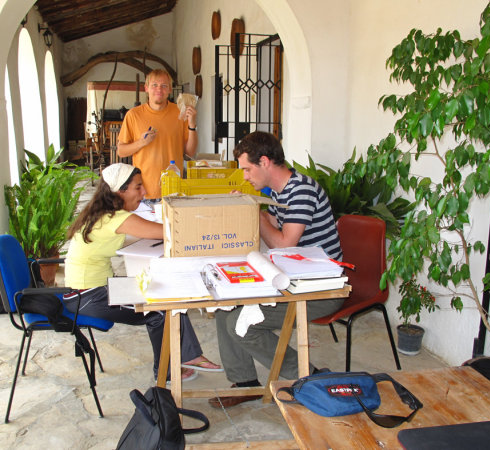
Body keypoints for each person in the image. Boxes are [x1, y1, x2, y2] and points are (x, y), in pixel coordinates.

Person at [210, 131, 343, 408]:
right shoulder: (281, 191)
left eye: (247, 169)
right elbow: (268, 232)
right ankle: (245, 383)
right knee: (225, 310)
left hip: (323, 289)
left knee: (240, 325)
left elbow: (283, 243)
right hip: (296, 279)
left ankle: (308, 376)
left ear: (266, 162)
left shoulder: (301, 190)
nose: (245, 177)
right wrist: (248, 211)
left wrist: (254, 213)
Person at [63, 163, 221, 381]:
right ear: (121, 191)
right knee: (157, 311)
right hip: (86, 296)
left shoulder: (105, 214)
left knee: (165, 294)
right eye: (138, 187)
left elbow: (145, 232)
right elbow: (170, 232)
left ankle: (188, 356)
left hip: (90, 290)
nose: (144, 192)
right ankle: (165, 372)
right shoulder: (116, 218)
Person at [117, 69, 198, 199]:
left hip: (174, 191)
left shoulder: (179, 113)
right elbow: (121, 151)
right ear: (146, 88)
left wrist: (192, 124)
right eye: (154, 85)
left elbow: (190, 152)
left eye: (164, 86)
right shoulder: (133, 115)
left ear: (170, 90)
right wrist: (141, 143)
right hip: (144, 193)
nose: (159, 89)